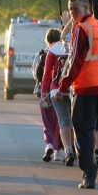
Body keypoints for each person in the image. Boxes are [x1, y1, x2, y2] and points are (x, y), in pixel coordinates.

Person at [55, 0, 98, 189]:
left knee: (83, 131)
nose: (72, 13)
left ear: (86, 7)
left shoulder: (81, 29)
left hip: (86, 87)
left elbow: (75, 61)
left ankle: (88, 176)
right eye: (70, 9)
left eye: (75, 9)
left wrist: (63, 85)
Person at [41, 19, 76, 166]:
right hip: (75, 89)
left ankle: (68, 150)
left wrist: (44, 93)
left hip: (56, 90)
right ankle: (80, 150)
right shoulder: (77, 46)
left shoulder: (54, 49)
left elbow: (47, 73)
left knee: (64, 121)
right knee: (77, 122)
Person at [33, 47, 62, 162]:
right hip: (58, 91)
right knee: (59, 122)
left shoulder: (43, 53)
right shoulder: (63, 51)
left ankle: (49, 144)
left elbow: (36, 74)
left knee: (47, 122)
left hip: (44, 92)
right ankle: (57, 152)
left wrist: (43, 91)